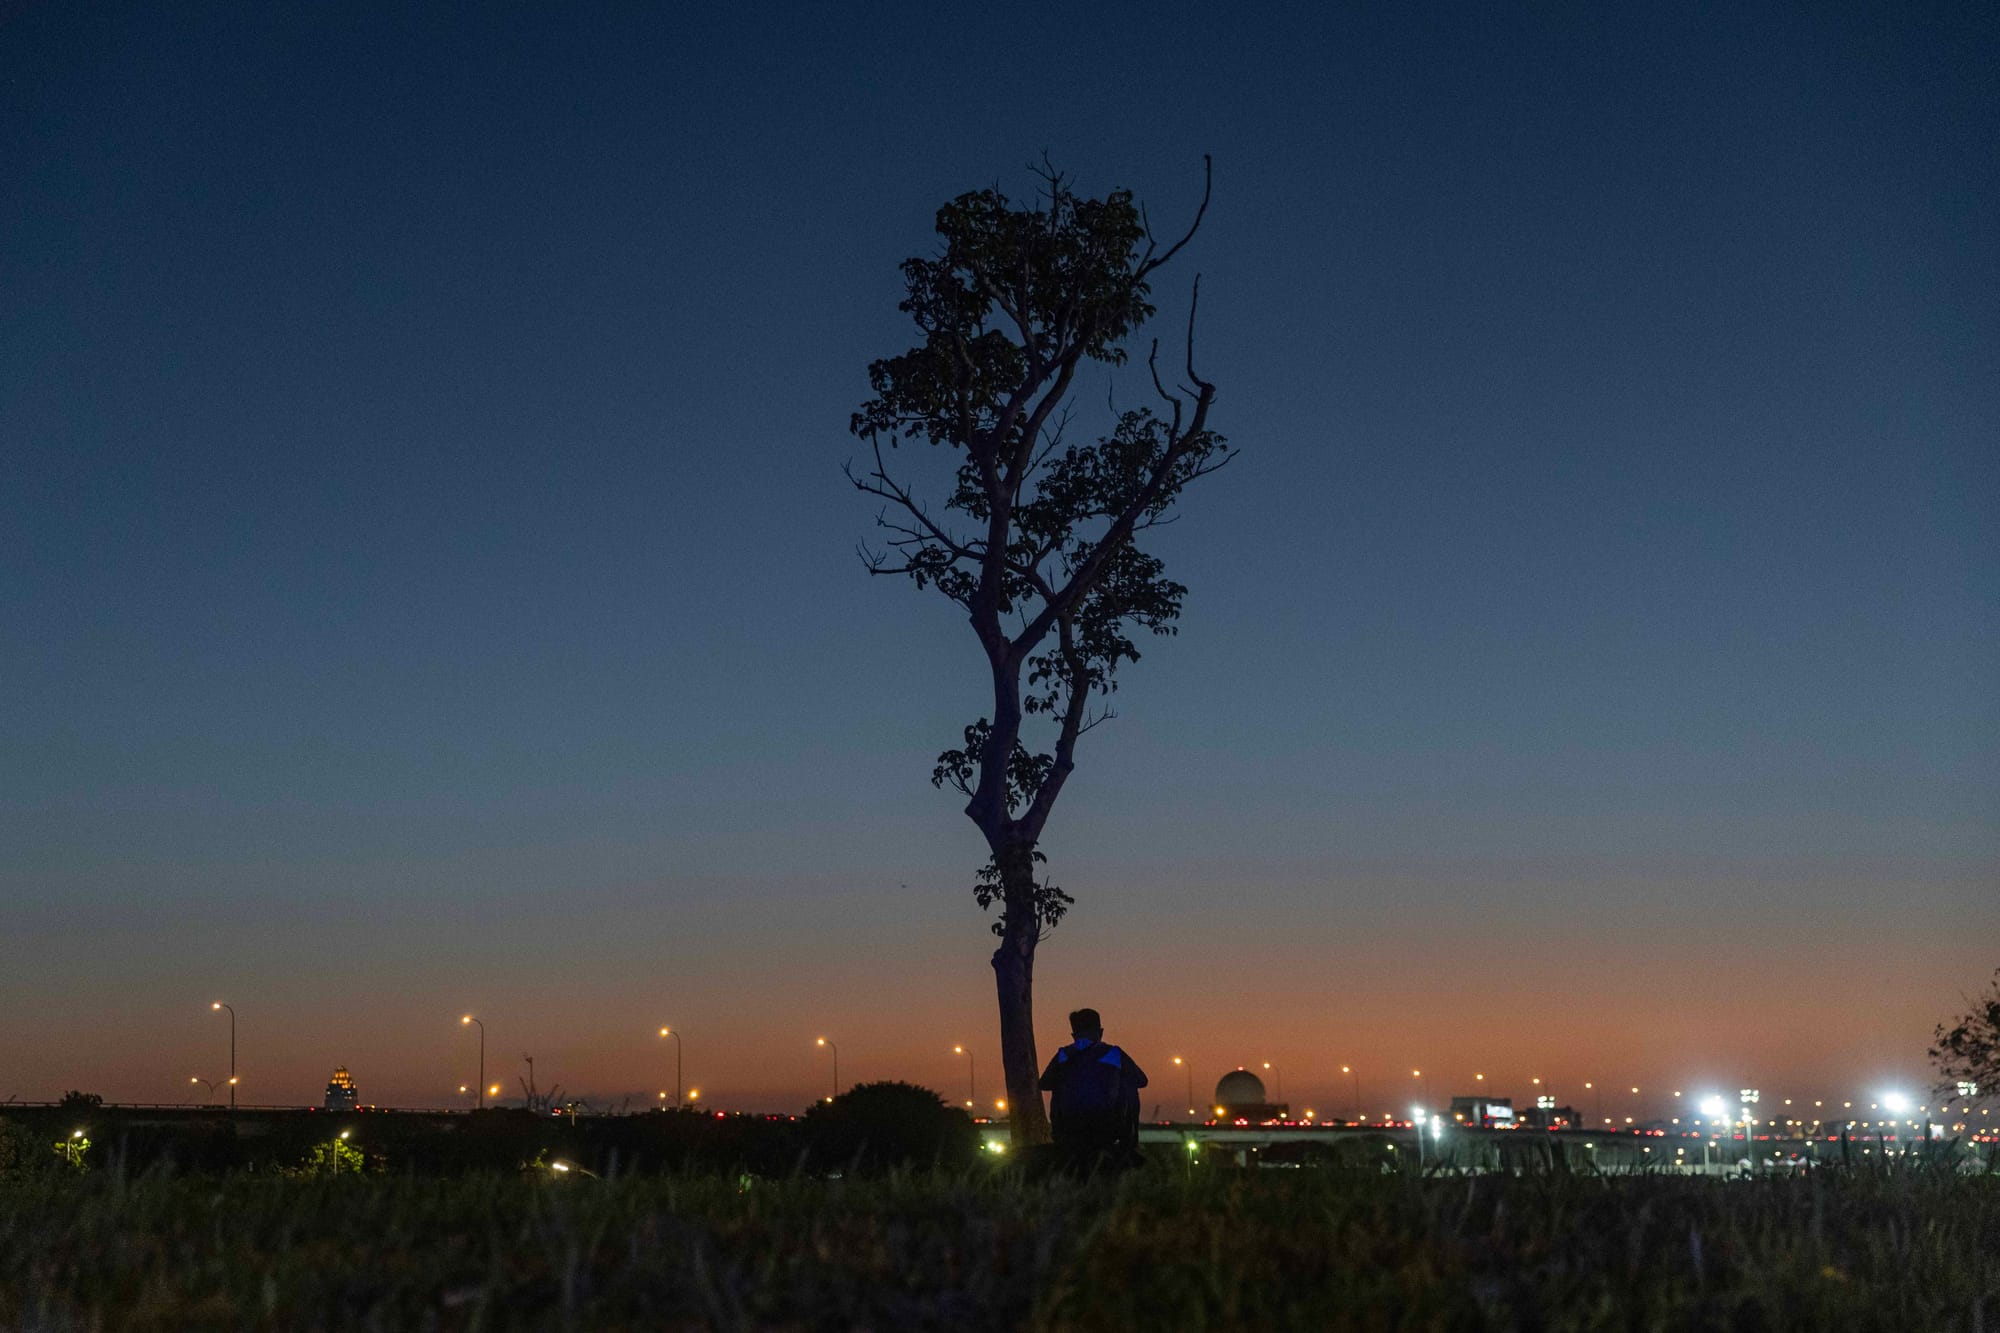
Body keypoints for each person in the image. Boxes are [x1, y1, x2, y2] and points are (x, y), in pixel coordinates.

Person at [1038, 1008, 1148, 1173]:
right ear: (1100, 1032)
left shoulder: (1064, 1055)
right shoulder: (1113, 1053)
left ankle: (1058, 1136)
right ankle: (1129, 1144)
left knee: (1058, 1084)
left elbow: (1044, 1084)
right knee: (1129, 1084)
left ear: (1074, 1035)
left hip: (1069, 1125)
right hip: (1108, 1125)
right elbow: (1141, 1080)